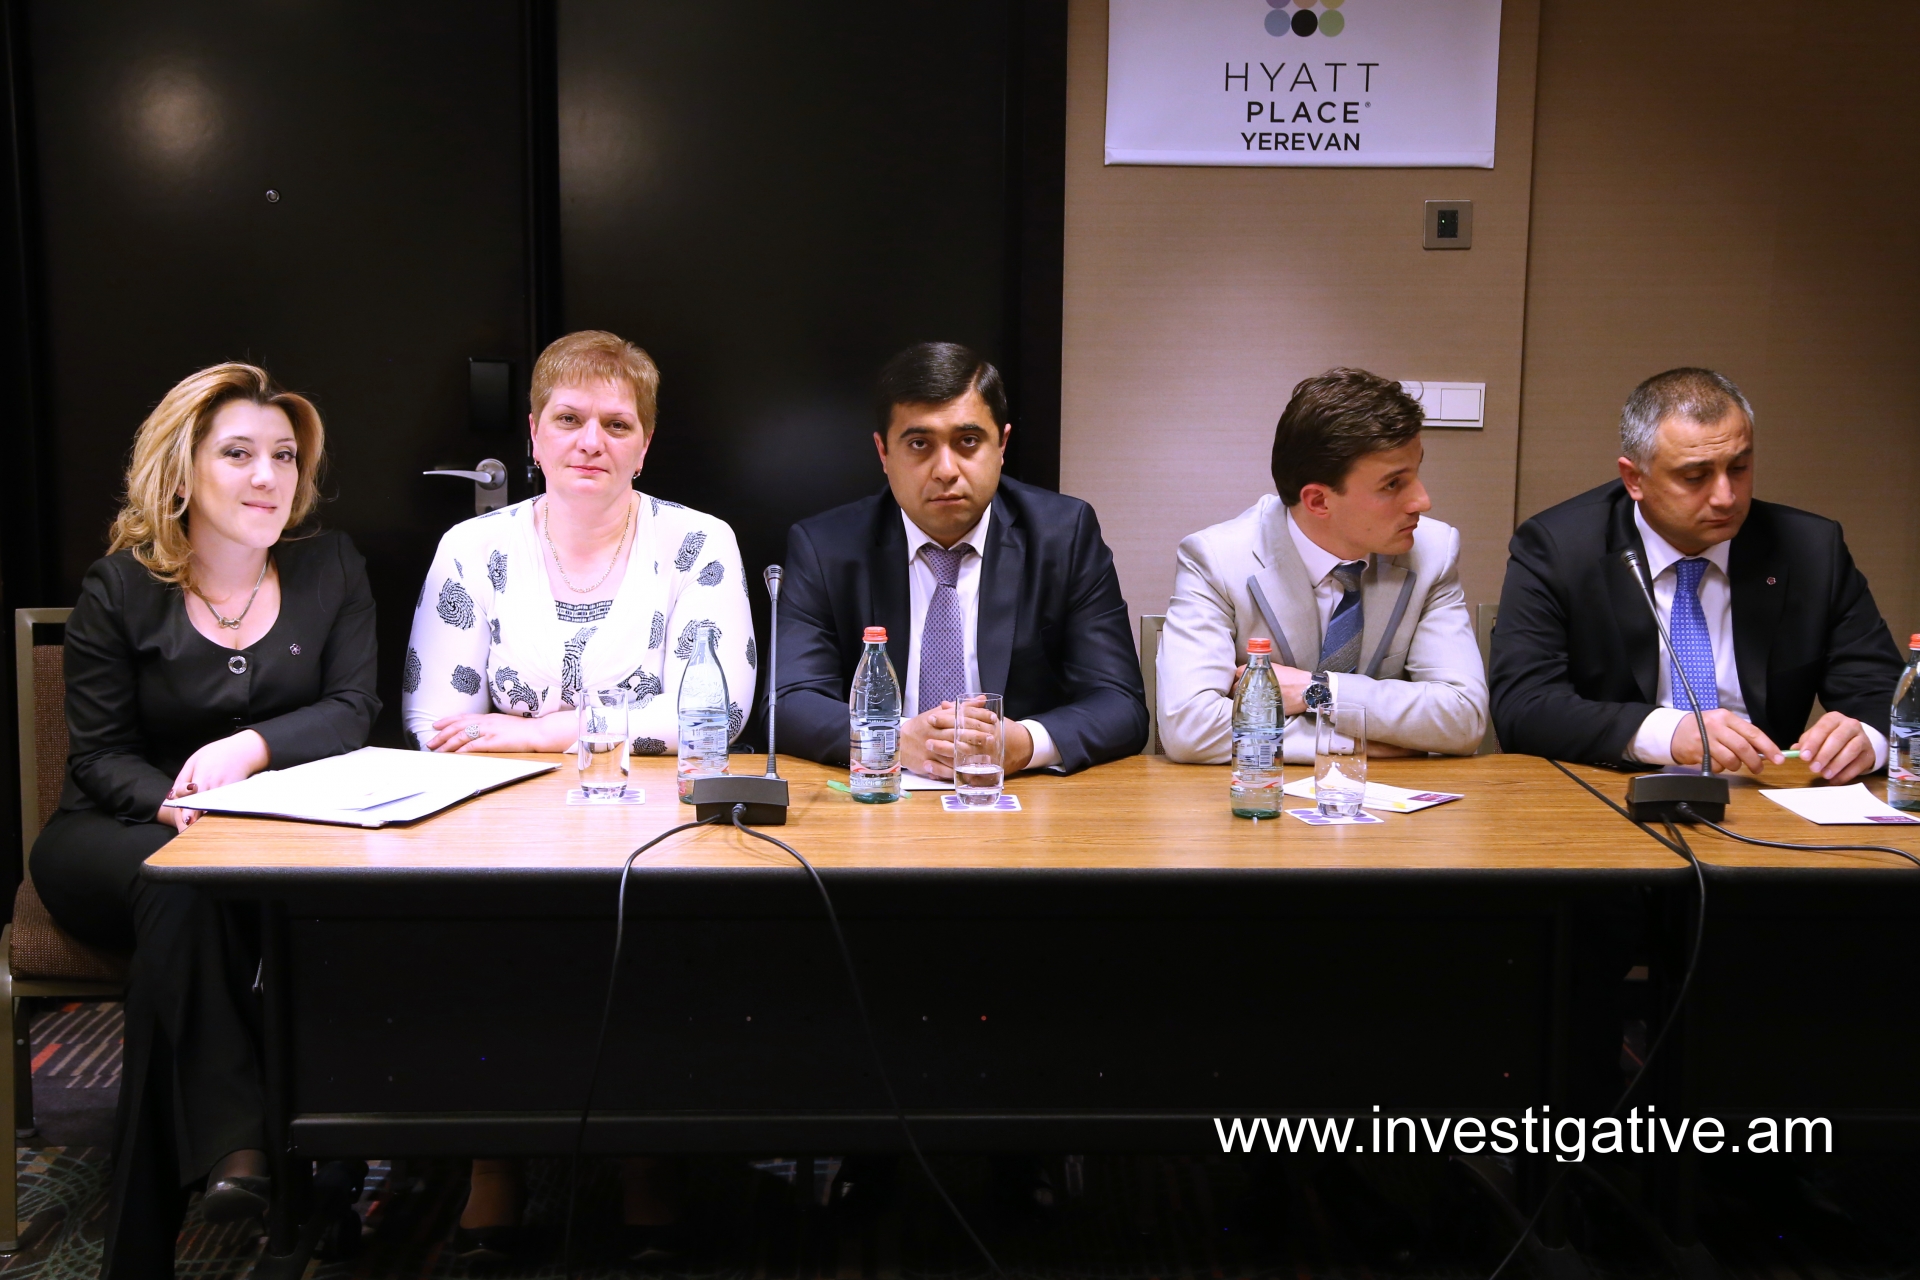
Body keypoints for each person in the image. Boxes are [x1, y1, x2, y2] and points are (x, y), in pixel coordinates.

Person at [402, 329, 751, 1268]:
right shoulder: (473, 548)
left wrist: (541, 731)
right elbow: (436, 721)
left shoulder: (699, 544)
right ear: (533, 434)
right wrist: (602, 729)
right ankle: (494, 1163)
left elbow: (716, 712)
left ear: (646, 444)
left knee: (654, 934)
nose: (591, 440)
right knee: (494, 940)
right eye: (569, 418)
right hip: (500, 819)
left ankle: (647, 1163)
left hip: (654, 818)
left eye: (616, 423)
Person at [30, 363, 379, 1276]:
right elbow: (98, 757)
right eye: (238, 454)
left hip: (266, 839)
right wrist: (174, 804)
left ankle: (162, 1230)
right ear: (182, 470)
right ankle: (247, 1141)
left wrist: (248, 750)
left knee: (182, 933)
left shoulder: (331, 568)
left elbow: (351, 710)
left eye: (285, 457)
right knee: (181, 886)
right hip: (112, 835)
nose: (269, 476)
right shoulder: (118, 588)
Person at [1490, 367, 1903, 781]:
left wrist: (1868, 738)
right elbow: (1523, 706)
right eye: (1695, 477)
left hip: (1764, 789)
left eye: (1739, 468)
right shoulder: (1559, 548)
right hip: (1610, 788)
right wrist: (1668, 733)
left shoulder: (1810, 549)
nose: (1726, 497)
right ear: (1634, 479)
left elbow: (1884, 691)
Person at [776, 341, 1147, 778]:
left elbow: (1120, 702)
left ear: (1002, 444)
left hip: (1022, 800)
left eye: (968, 441)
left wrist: (1025, 743)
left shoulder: (1064, 535)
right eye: (919, 444)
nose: (946, 470)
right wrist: (891, 737)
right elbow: (789, 702)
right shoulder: (826, 547)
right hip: (878, 796)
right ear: (883, 453)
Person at [1157, 368, 1488, 764]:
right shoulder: (1216, 559)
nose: (1422, 501)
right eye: (1392, 484)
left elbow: (1463, 717)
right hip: (1260, 793)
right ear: (1318, 501)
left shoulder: (1432, 551)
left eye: (1416, 473)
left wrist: (1317, 690)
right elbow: (1190, 727)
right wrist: (1350, 742)